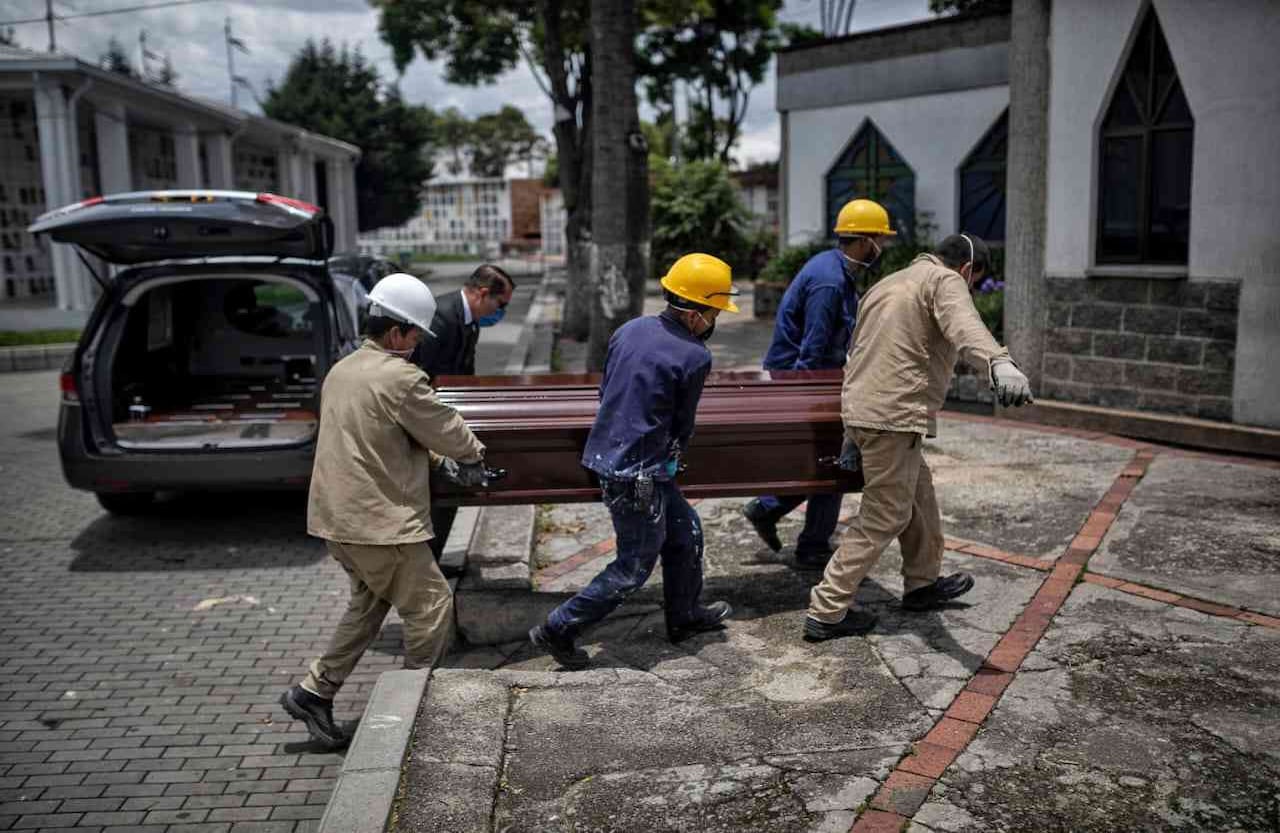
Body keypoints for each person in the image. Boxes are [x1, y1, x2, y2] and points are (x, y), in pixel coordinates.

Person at [279, 273, 490, 748]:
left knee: (369, 606)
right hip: (379, 524)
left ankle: (314, 691)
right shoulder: (400, 377)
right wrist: (475, 457)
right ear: (397, 333)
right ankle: (412, 713)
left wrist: (436, 459)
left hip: (337, 519)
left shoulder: (344, 369)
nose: (418, 345)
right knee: (431, 607)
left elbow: (380, 436)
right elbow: (446, 428)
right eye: (416, 335)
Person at [802, 234, 1033, 642]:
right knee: (885, 514)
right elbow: (966, 326)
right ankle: (827, 608)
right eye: (974, 282)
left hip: (868, 411)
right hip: (893, 418)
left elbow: (856, 352)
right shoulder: (945, 281)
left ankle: (922, 585)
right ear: (967, 269)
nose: (971, 289)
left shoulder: (886, 283)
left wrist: (852, 425)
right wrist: (998, 362)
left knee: (919, 496)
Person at [528, 253, 740, 669]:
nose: (716, 319)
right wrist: (671, 453)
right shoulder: (694, 355)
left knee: (685, 532)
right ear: (698, 312)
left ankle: (684, 615)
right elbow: (683, 423)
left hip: (613, 457)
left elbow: (605, 391)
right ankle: (558, 627)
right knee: (632, 567)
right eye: (715, 310)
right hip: (639, 473)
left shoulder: (630, 329)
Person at [743, 198, 894, 569]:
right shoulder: (829, 282)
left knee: (827, 461)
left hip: (815, 377)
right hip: (802, 380)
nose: (883, 247)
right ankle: (806, 540)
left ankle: (775, 513)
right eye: (881, 240)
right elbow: (811, 350)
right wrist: (813, 400)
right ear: (865, 240)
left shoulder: (838, 271)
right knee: (836, 462)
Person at [410, 264, 516, 574]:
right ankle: (424, 568)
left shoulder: (471, 322)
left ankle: (434, 563)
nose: (502, 311)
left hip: (447, 419)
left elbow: (464, 373)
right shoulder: (440, 316)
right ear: (483, 294)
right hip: (428, 421)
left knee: (449, 491)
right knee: (435, 493)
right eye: (502, 304)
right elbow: (419, 376)